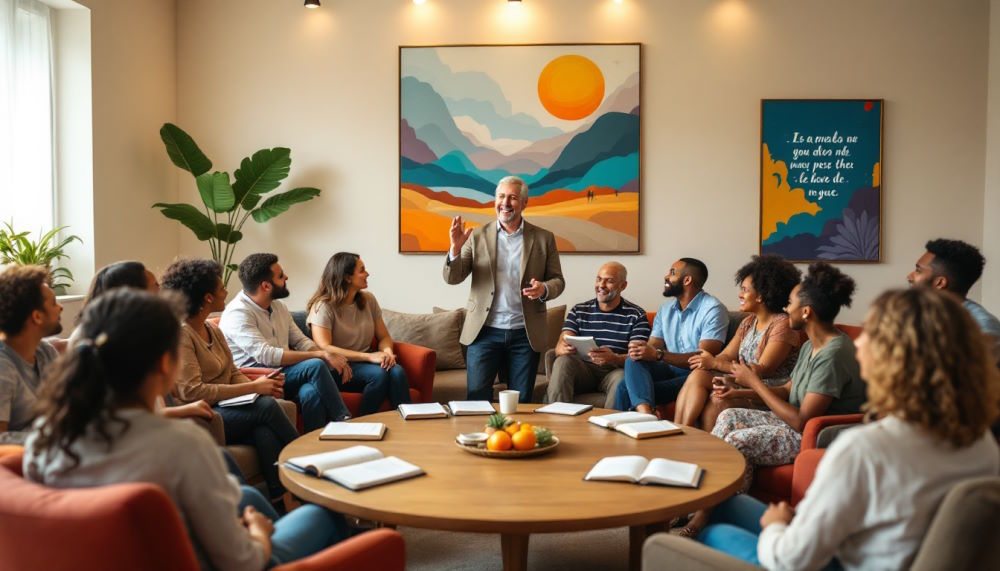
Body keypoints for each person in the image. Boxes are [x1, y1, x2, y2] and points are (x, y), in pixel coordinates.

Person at [23, 289, 349, 569]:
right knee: (327, 515)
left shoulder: (45, 438)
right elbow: (244, 563)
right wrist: (258, 533)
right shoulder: (183, 446)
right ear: (166, 363)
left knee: (247, 494)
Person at [695, 288, 1000, 570]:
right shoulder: (982, 442)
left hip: (838, 563)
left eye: (873, 333)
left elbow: (791, 559)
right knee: (730, 505)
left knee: (715, 533)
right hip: (883, 554)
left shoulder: (863, 450)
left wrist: (777, 524)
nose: (860, 340)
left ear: (894, 358)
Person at [678, 263, 865, 538]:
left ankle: (706, 514)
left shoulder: (833, 354)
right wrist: (740, 393)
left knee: (737, 441)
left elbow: (802, 422)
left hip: (817, 434)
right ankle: (704, 498)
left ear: (806, 311)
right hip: (794, 421)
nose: (785, 308)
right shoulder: (813, 344)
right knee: (727, 416)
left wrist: (753, 381)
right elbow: (789, 388)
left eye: (790, 304)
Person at [161, 259, 299, 503]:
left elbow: (232, 371)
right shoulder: (181, 334)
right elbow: (192, 391)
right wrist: (254, 387)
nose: (226, 291)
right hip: (205, 414)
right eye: (221, 287)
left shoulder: (212, 329)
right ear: (207, 298)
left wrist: (257, 390)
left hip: (230, 407)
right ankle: (305, 459)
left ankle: (281, 498)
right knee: (268, 407)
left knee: (263, 430)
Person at [443, 175, 565, 402]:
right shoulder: (477, 236)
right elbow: (453, 278)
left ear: (524, 203)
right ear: (495, 200)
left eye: (512, 197)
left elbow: (558, 280)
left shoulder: (543, 238)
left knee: (521, 402)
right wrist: (455, 250)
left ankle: (517, 439)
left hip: (524, 333)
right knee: (477, 400)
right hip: (484, 332)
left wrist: (544, 289)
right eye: (501, 196)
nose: (505, 203)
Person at [70, 260, 214, 423]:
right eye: (155, 287)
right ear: (134, 294)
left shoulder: (133, 330)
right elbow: (131, 415)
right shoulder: (105, 340)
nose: (161, 293)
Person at [220, 253, 352, 430]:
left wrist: (323, 354)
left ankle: (315, 447)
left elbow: (300, 340)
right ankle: (345, 420)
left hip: (283, 373)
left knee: (310, 392)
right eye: (281, 275)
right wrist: (321, 354)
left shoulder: (278, 306)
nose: (287, 277)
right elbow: (267, 356)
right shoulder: (237, 313)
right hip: (256, 377)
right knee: (315, 364)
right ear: (266, 286)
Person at [673, 255, 801, 430]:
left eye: (745, 290)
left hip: (766, 390)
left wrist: (714, 362)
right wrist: (708, 361)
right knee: (699, 374)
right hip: (740, 381)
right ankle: (681, 431)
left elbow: (763, 369)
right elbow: (727, 355)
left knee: (718, 397)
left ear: (761, 296)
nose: (740, 295)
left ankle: (701, 445)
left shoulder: (783, 324)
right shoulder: (748, 322)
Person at [614, 258, 729, 414]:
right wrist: (640, 351)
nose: (666, 276)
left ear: (687, 280)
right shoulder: (665, 309)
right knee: (633, 359)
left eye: (672, 272)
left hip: (697, 375)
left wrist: (658, 355)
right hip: (669, 368)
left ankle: (642, 420)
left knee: (624, 388)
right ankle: (647, 415)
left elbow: (702, 358)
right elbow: (653, 345)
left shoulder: (713, 309)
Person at [306, 253, 411, 415]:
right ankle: (361, 424)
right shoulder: (323, 307)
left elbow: (383, 337)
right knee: (379, 375)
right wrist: (369, 357)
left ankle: (407, 425)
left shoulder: (369, 300)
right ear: (347, 277)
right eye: (362, 270)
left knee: (397, 372)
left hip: (365, 363)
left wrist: (388, 353)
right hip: (338, 367)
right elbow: (324, 346)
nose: (367, 273)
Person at [546, 262, 650, 408]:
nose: (601, 285)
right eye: (598, 279)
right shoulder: (579, 310)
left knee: (621, 378)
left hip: (614, 371)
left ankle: (609, 426)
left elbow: (639, 356)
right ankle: (557, 421)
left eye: (609, 281)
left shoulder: (636, 315)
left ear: (623, 286)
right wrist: (562, 349)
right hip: (584, 370)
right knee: (563, 362)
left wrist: (614, 358)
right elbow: (560, 346)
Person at [907, 238, 1000, 364]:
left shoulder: (983, 327)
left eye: (918, 270)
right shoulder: (924, 313)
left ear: (939, 283)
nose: (909, 276)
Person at [0, 265, 62, 444]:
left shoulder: (46, 352)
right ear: (37, 317)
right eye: (53, 303)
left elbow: (65, 405)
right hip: (23, 460)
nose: (60, 308)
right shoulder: (3, 368)